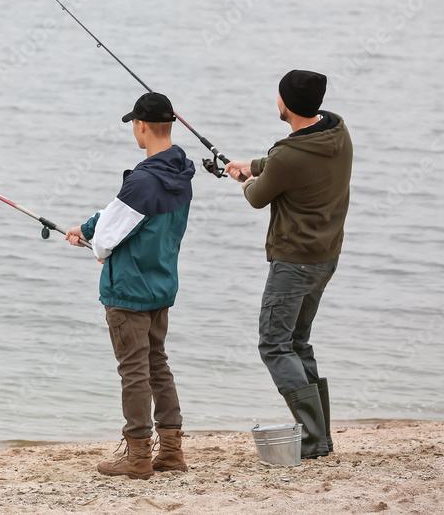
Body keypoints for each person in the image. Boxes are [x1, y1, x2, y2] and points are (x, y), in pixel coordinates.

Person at [65, 92, 195, 480]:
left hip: (129, 292)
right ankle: (171, 450)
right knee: (157, 364)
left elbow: (107, 240)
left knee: (134, 371)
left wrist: (96, 243)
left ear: (140, 125)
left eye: (134, 125)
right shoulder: (180, 171)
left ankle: (138, 455)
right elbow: (122, 216)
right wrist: (86, 228)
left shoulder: (142, 180)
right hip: (160, 286)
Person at [224, 69, 352, 460]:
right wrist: (254, 164)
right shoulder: (337, 132)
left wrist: (243, 178)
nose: (276, 101)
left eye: (278, 96)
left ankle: (313, 438)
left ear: (286, 104)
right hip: (324, 258)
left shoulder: (290, 154)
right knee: (298, 343)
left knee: (275, 345)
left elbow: (258, 197)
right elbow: (283, 164)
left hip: (293, 264)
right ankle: (320, 438)